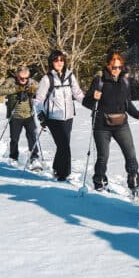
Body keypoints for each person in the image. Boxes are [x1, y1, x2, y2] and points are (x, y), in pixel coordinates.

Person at [82, 52, 139, 193]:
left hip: (121, 124)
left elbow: (127, 104)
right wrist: (93, 98)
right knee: (103, 157)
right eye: (114, 67)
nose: (116, 70)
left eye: (119, 67)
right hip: (101, 126)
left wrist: (138, 115)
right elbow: (86, 102)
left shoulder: (124, 81)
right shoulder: (99, 80)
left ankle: (134, 181)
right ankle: (99, 181)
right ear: (108, 65)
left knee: (130, 154)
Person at [35, 49, 85, 182]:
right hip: (53, 118)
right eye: (56, 60)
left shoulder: (70, 76)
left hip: (68, 117)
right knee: (64, 145)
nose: (59, 62)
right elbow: (38, 99)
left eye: (61, 60)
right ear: (51, 62)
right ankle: (64, 174)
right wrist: (41, 115)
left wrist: (89, 103)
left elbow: (78, 93)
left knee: (63, 144)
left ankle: (57, 168)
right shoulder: (47, 79)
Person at [0, 65, 40, 169]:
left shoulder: (31, 81)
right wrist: (16, 89)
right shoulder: (11, 81)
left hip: (29, 115)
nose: (24, 80)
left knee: (32, 137)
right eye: (21, 78)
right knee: (14, 138)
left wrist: (34, 90)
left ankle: (34, 158)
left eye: (26, 78)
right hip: (15, 115)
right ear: (17, 75)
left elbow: (42, 91)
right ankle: (13, 157)